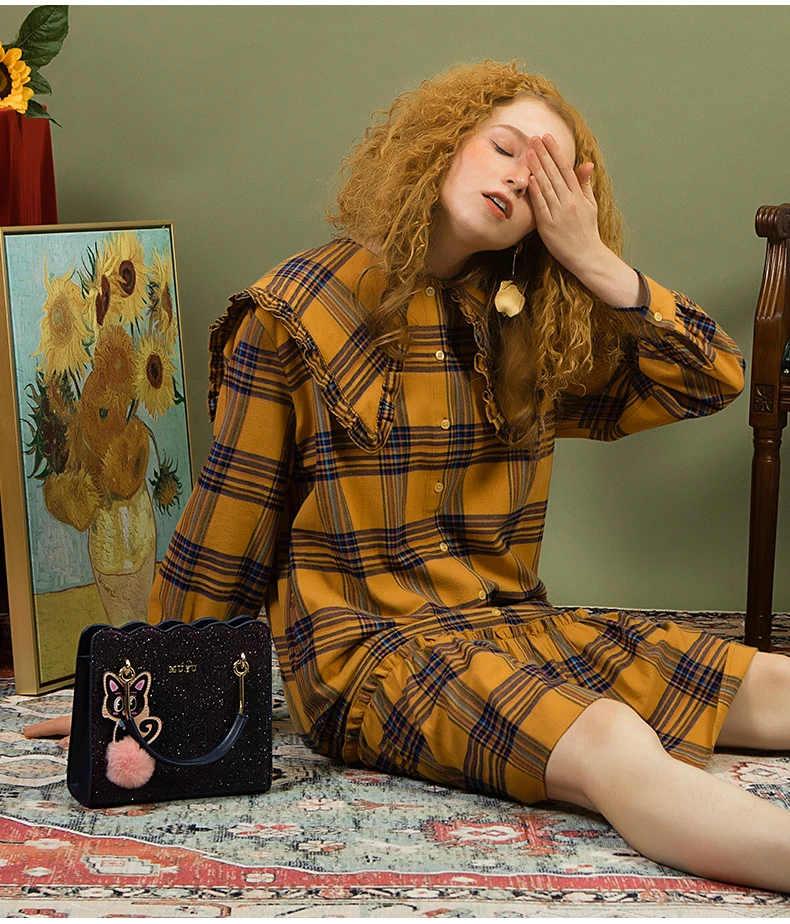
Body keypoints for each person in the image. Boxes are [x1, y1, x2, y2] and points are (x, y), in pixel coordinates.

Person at [25, 60, 790, 892]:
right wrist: (136, 687)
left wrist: (592, 257)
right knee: (610, 741)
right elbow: (226, 531)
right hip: (370, 656)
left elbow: (710, 376)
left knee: (770, 682)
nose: (519, 178)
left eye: (546, 179)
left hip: (513, 630)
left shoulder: (530, 323)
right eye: (505, 147)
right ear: (440, 143)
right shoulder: (297, 312)